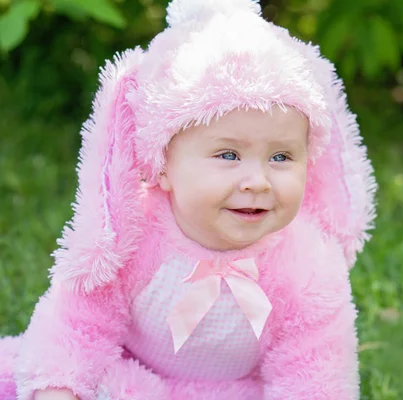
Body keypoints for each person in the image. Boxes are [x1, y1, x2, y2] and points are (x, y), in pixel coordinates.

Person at [0, 0, 376, 399]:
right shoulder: (135, 235)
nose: (258, 181)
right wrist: (60, 387)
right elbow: (79, 322)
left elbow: (314, 373)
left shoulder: (308, 266)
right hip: (131, 377)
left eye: (281, 157)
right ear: (162, 163)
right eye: (228, 155)